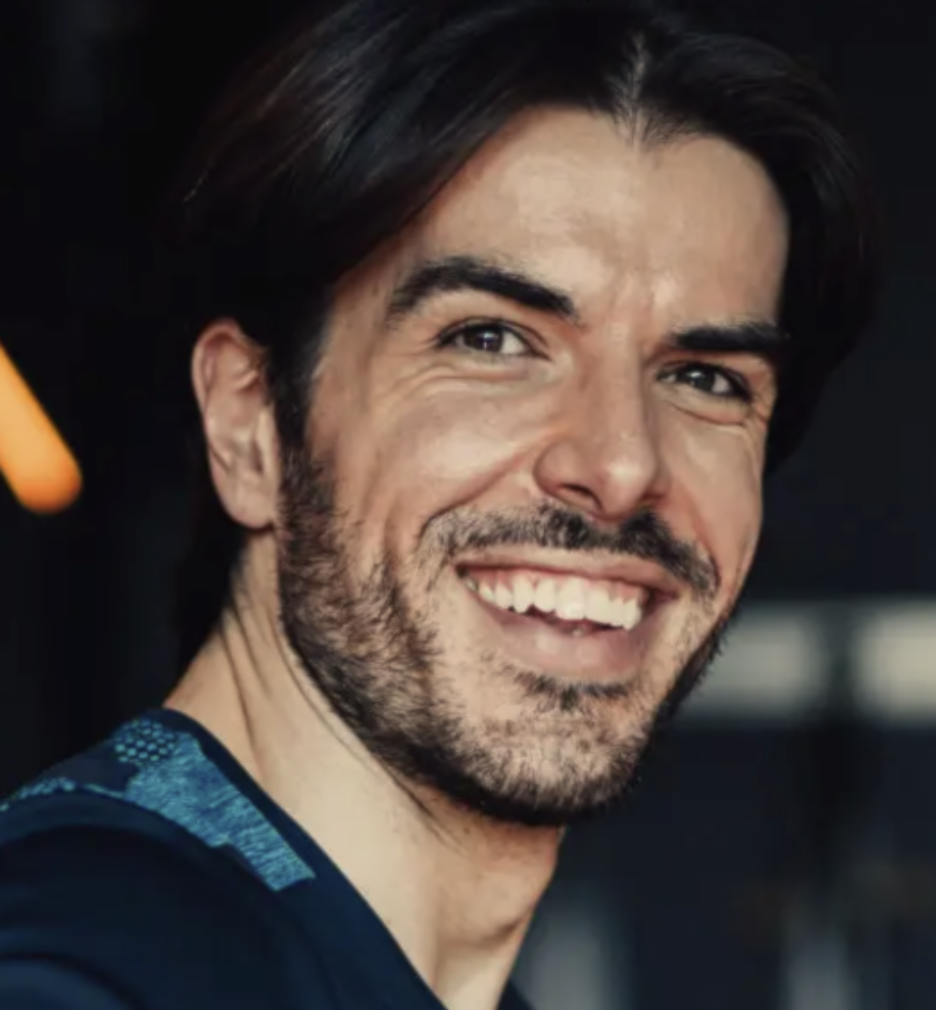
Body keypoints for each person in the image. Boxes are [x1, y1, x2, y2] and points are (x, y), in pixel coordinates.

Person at [0, 0, 880, 1007]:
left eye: (705, 377)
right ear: (252, 422)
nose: (623, 464)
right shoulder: (73, 961)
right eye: (491, 340)